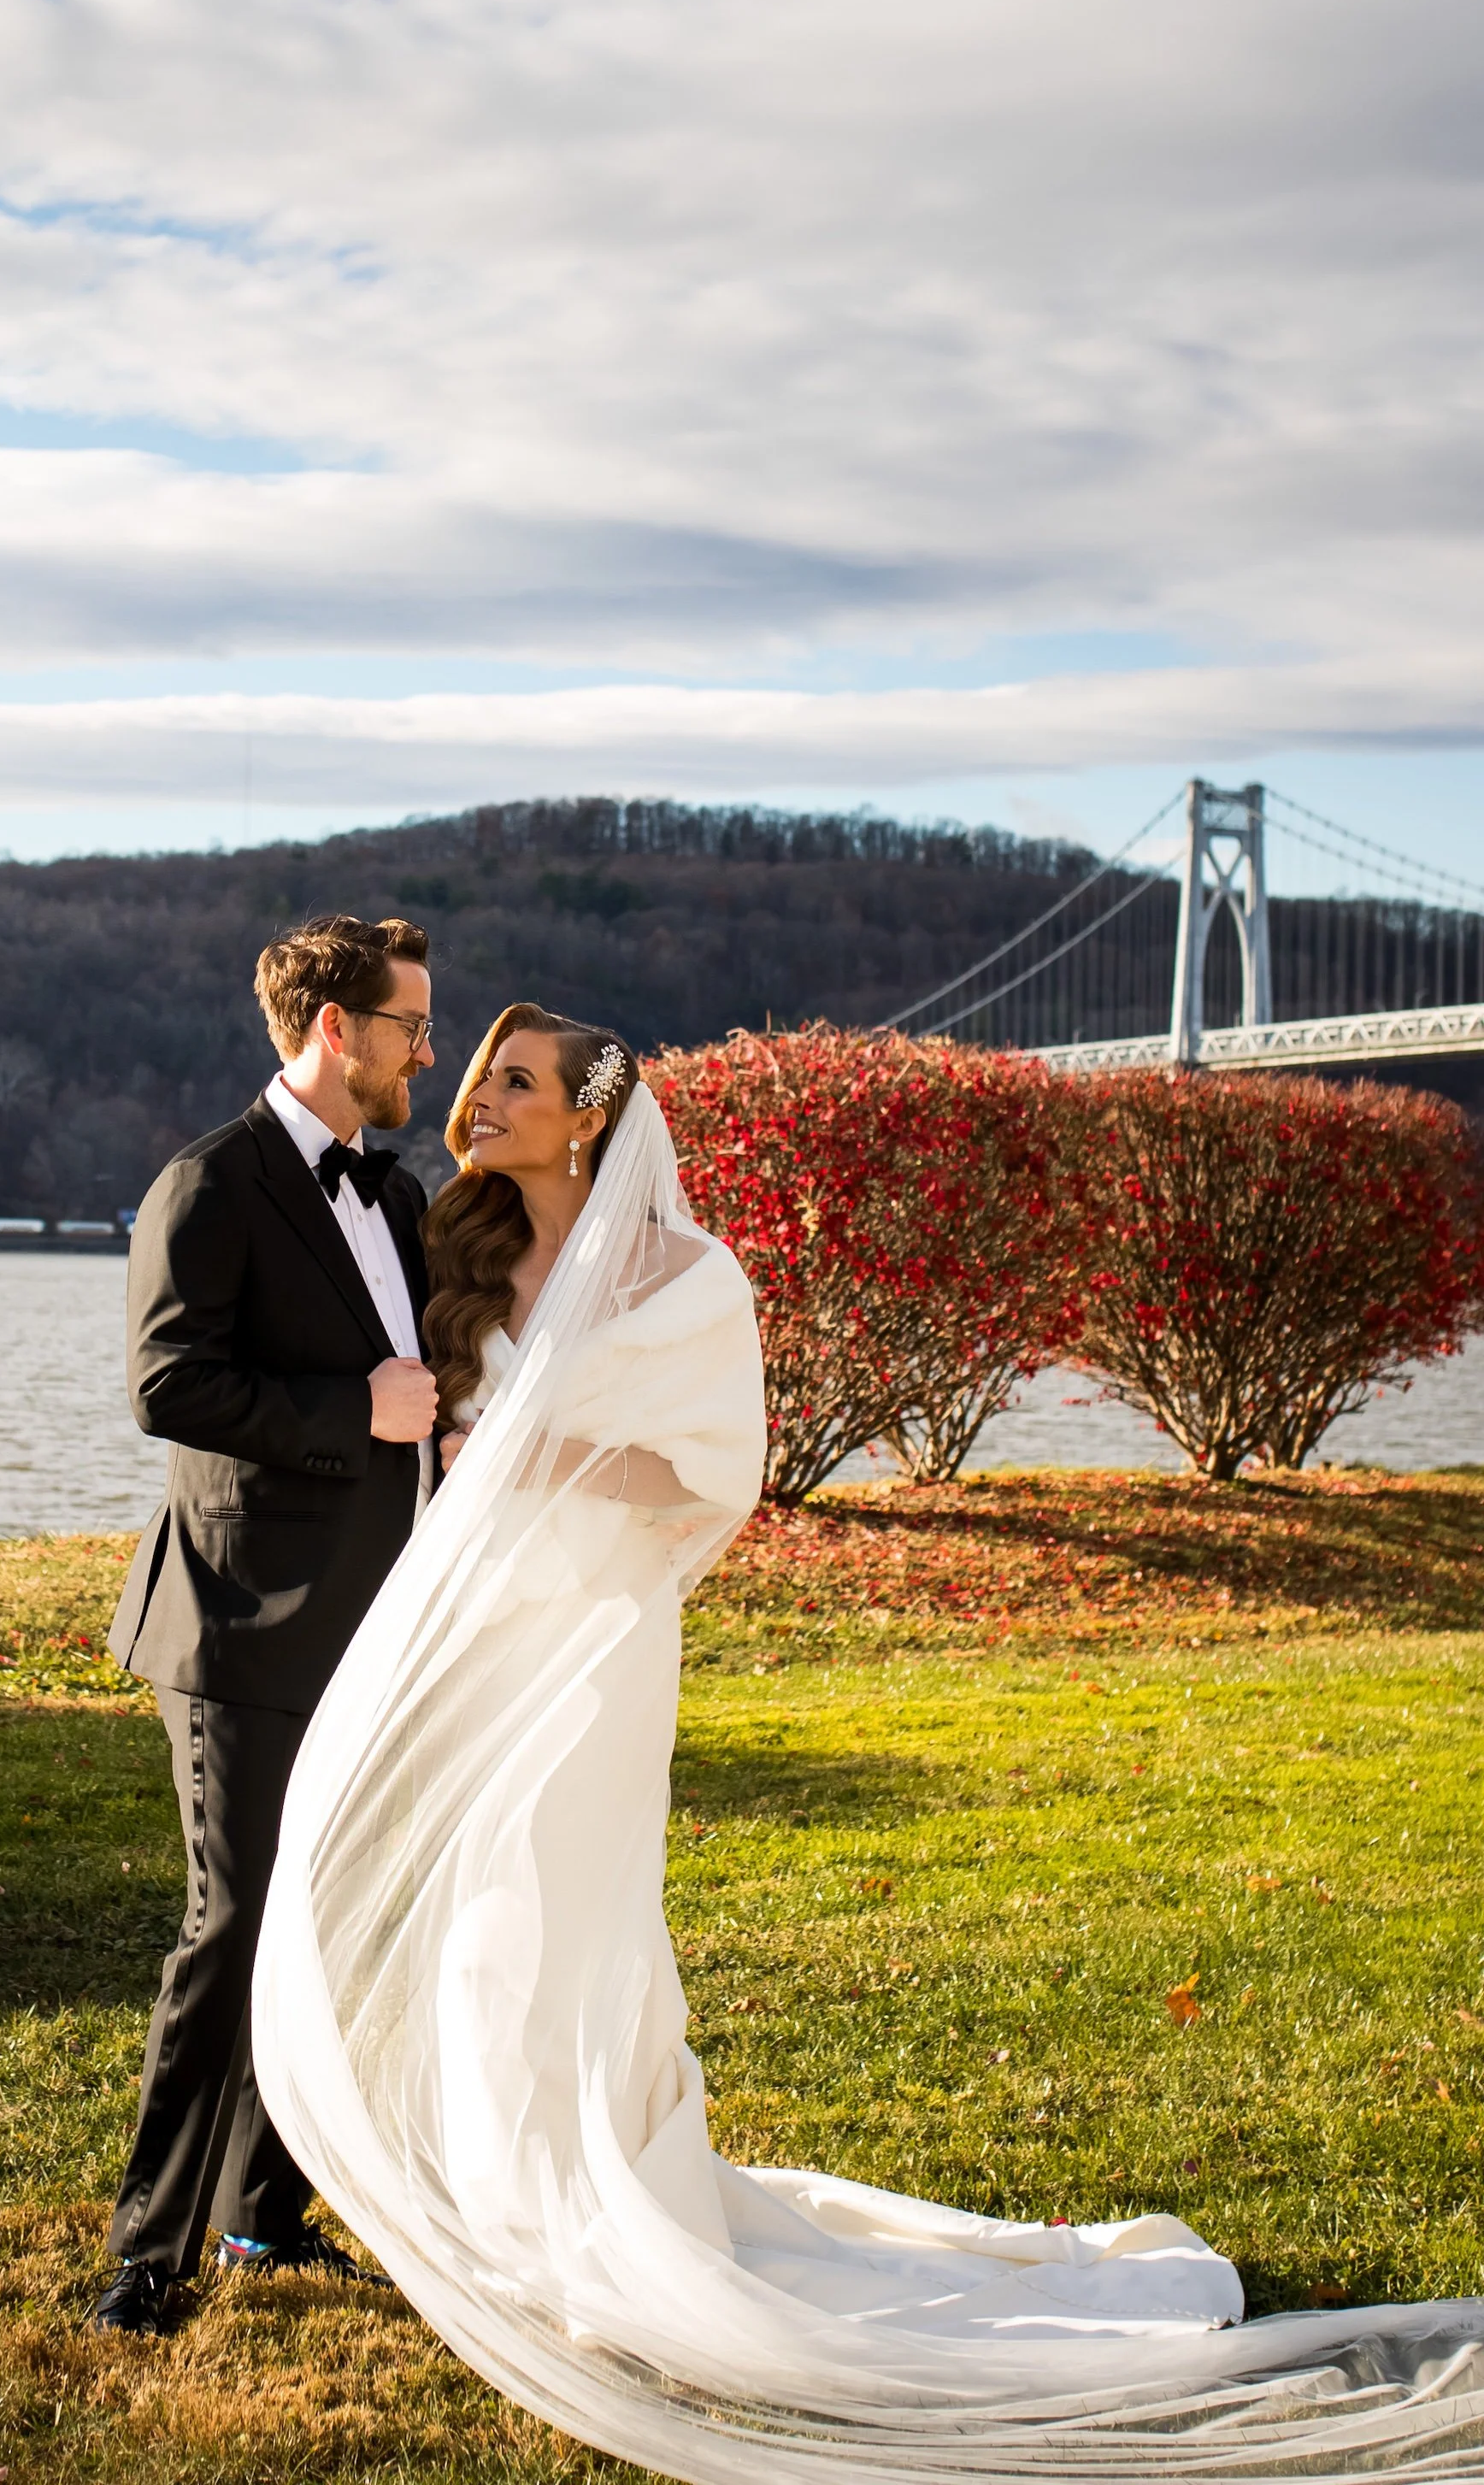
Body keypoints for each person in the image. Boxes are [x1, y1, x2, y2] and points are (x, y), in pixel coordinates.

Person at [249, 1005, 1484, 2480]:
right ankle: (519, 2214)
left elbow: (712, 1478)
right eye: (477, 1079)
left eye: (513, 1082)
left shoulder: (687, 1280)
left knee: (566, 1919)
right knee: (474, 1933)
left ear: (588, 1116)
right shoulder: (462, 1259)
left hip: (594, 1648)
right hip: (471, 1636)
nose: (477, 1102)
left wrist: (551, 1454)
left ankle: (605, 2209)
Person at [88, 912, 440, 2336]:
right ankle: (147, 2254)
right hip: (238, 1624)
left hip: (375, 1626)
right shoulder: (211, 1184)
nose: (430, 1049)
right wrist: (351, 1413)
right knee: (232, 1928)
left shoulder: (398, 1197)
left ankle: (261, 2221)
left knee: (326, 1927)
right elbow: (168, 1386)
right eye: (412, 1024)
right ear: (336, 1030)